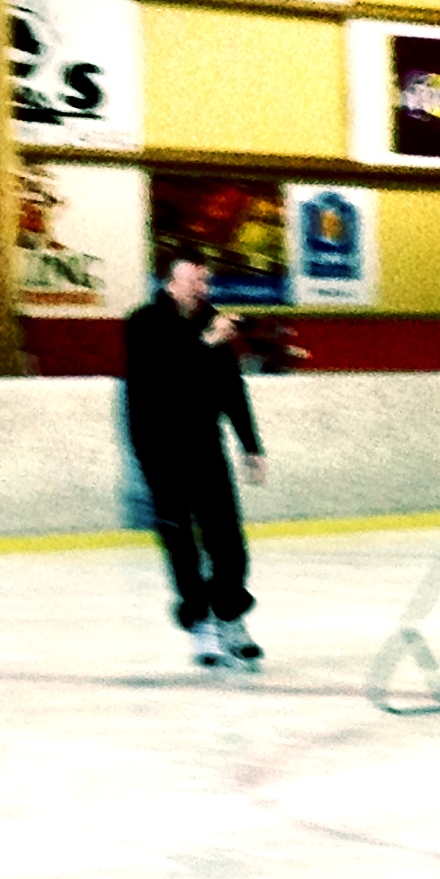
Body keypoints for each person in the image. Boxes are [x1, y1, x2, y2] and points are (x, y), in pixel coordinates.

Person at [121, 255, 267, 667]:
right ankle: (200, 621)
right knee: (180, 541)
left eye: (204, 281)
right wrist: (208, 342)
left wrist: (251, 446)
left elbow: (231, 388)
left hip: (206, 447)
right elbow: (163, 377)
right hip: (160, 450)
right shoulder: (143, 323)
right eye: (192, 281)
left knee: (228, 539)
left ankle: (229, 615)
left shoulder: (212, 322)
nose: (200, 288)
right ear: (170, 282)